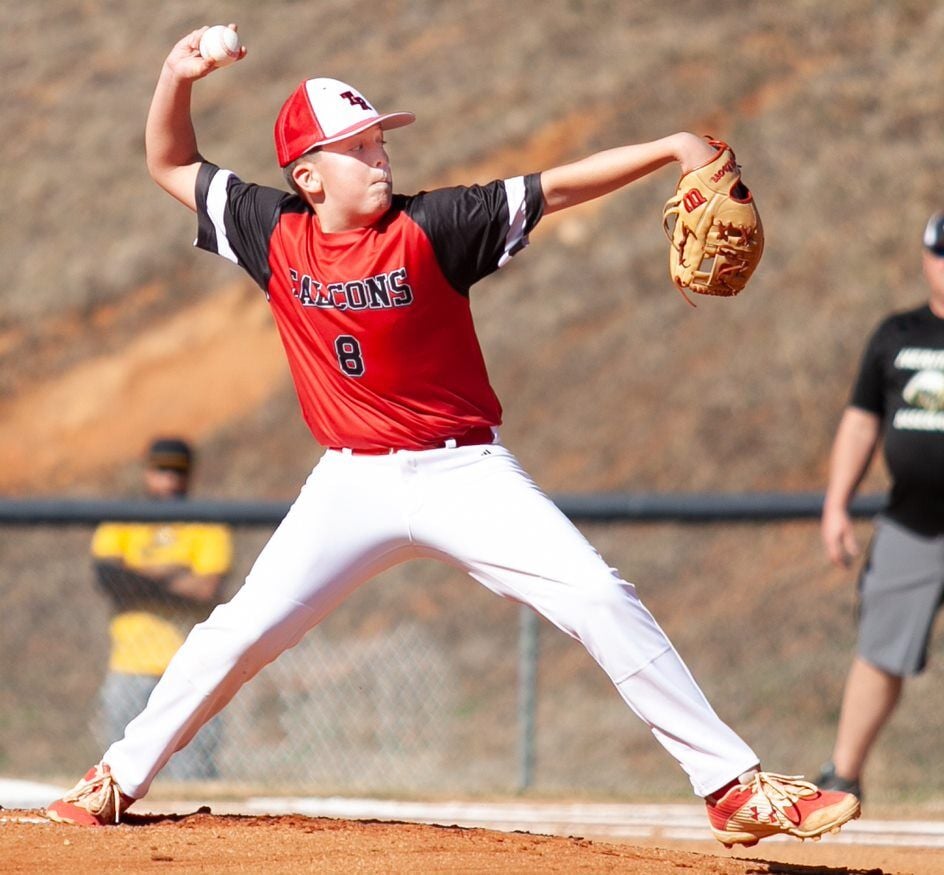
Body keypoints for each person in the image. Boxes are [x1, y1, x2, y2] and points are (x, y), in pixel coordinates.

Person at [47, 25, 859, 846]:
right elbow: (170, 164)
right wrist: (174, 76)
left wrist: (673, 148)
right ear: (307, 175)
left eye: (379, 143)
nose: (380, 158)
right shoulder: (272, 227)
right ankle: (116, 775)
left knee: (597, 594)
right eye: (357, 148)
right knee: (240, 630)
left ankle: (732, 785)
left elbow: (559, 188)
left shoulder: (438, 224)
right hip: (350, 482)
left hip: (462, 471)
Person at [816, 212, 944, 801]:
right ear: (926, 259)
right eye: (942, 255)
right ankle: (843, 776)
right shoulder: (897, 334)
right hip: (913, 520)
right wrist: (837, 504)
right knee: (880, 649)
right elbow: (862, 421)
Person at [91, 437, 233, 780]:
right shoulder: (124, 522)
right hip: (130, 665)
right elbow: (109, 579)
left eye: (177, 471)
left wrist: (137, 577)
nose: (169, 479)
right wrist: (176, 573)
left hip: (190, 665)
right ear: (147, 472)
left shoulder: (205, 525)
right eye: (161, 470)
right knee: (118, 773)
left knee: (194, 776)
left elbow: (205, 589)